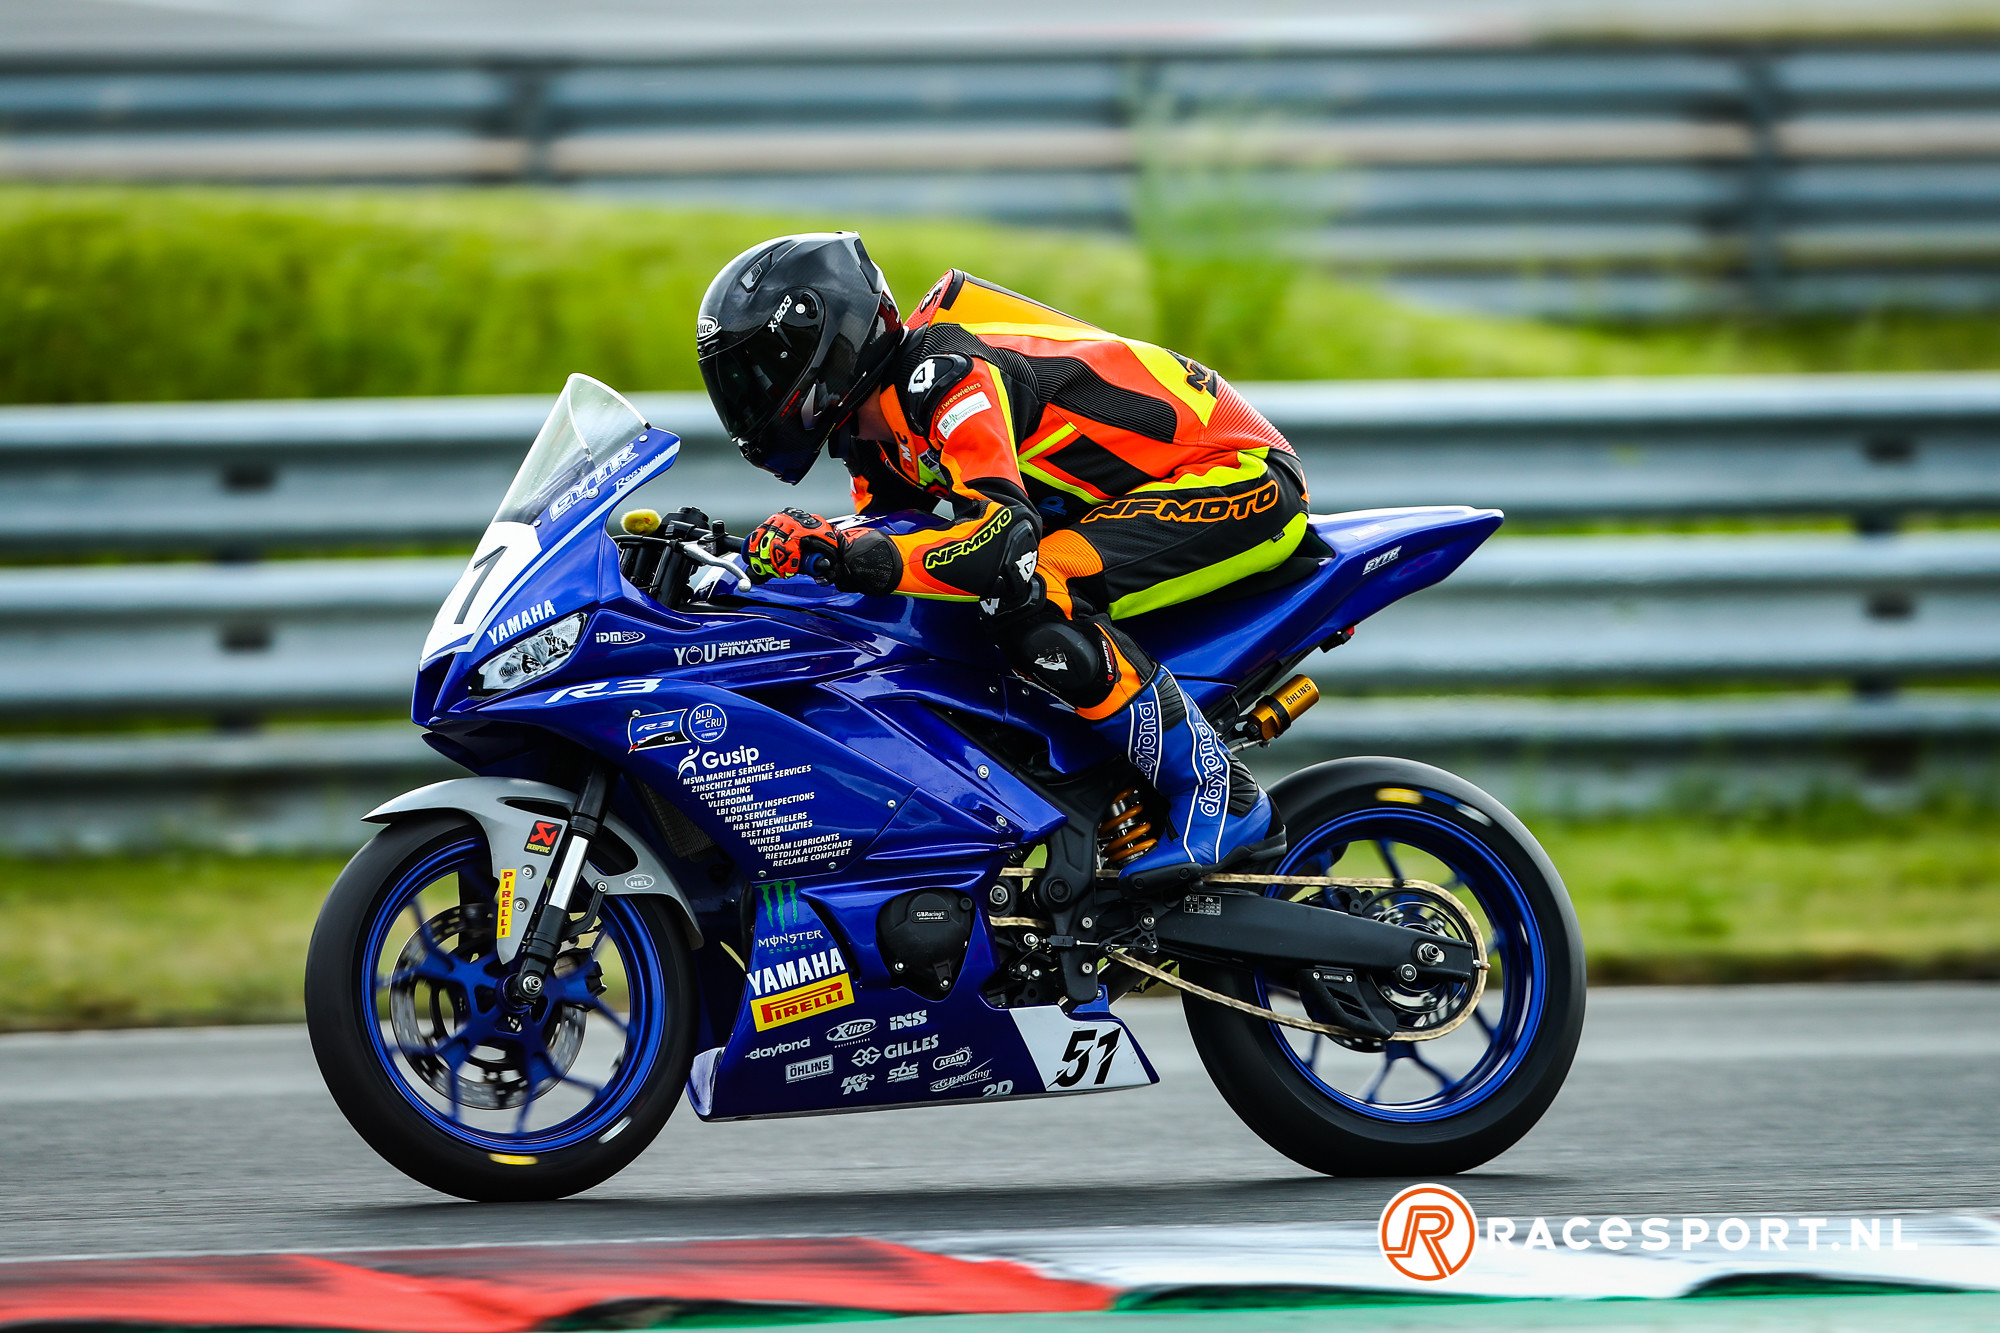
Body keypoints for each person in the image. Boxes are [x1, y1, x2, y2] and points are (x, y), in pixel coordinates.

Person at [695, 232, 1310, 893]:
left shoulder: (944, 372)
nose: (749, 394)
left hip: (1235, 478)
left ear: (821, 343)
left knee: (1027, 586)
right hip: (1127, 504)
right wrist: (765, 567)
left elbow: (999, 537)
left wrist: (846, 553)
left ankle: (1224, 796)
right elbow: (889, 542)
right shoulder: (871, 435)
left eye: (757, 370)